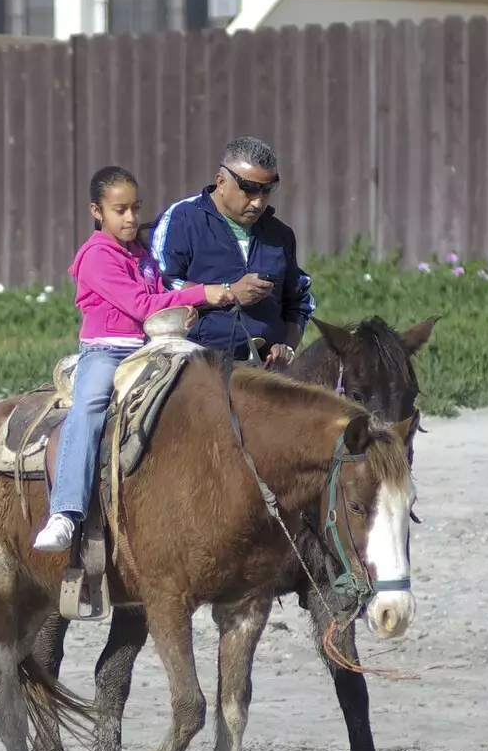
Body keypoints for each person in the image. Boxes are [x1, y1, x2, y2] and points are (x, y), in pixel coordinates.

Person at [32, 165, 270, 554]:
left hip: (152, 346)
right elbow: (142, 305)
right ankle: (65, 511)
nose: (130, 218)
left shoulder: (141, 255)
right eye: (119, 210)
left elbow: (160, 295)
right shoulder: (95, 256)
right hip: (107, 351)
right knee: (90, 405)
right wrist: (207, 294)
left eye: (135, 208)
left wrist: (183, 315)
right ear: (97, 212)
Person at [149, 135, 314, 368]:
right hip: (194, 365)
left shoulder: (280, 235)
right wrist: (228, 292)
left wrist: (286, 347)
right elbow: (159, 285)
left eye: (267, 190)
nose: (258, 202)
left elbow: (299, 301)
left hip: (265, 372)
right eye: (249, 189)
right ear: (221, 182)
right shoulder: (182, 219)